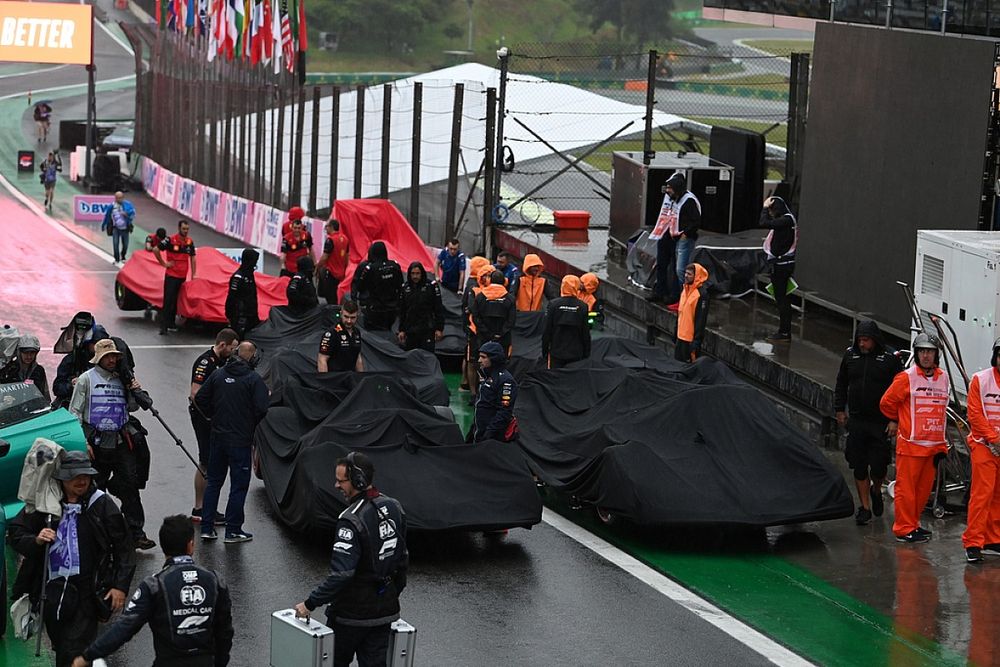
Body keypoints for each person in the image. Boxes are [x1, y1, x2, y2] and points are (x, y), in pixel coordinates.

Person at [9, 450, 135, 667]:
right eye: (75, 475)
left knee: (73, 649)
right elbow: (17, 533)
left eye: (85, 475)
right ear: (61, 478)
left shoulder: (101, 504)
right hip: (52, 593)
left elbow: (124, 547)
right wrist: (37, 540)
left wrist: (120, 586)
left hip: (86, 591)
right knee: (62, 646)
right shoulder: (45, 505)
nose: (81, 480)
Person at [71, 515, 234, 667]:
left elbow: (124, 628)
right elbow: (225, 632)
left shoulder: (154, 585)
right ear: (191, 545)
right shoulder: (214, 580)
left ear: (164, 548)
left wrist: (88, 656)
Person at [293, 452, 408, 667]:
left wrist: (310, 603)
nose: (336, 485)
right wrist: (390, 594)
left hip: (350, 616)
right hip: (385, 612)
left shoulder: (350, 520)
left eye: (340, 481)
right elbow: (402, 559)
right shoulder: (394, 507)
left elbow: (342, 575)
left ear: (358, 481)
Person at [69, 339, 155, 550]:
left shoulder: (122, 380)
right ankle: (94, 533)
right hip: (96, 443)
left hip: (120, 441)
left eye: (114, 356)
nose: (112, 360)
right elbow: (75, 413)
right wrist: (83, 442)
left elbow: (133, 407)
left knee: (130, 486)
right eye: (108, 356)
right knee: (92, 488)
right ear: (99, 358)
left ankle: (136, 532)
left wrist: (135, 388)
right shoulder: (85, 380)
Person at [194, 342, 269, 543]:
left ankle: (207, 527)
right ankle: (233, 530)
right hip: (240, 440)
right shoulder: (253, 379)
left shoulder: (218, 374)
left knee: (214, 482)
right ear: (252, 358)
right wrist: (248, 422)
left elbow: (200, 398)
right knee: (238, 485)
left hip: (218, 438)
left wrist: (213, 417)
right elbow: (262, 408)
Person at [880, 333, 950, 544]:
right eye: (922, 352)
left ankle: (913, 525)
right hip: (911, 445)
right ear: (917, 354)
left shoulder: (944, 377)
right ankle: (903, 529)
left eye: (929, 352)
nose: (926, 356)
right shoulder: (906, 377)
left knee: (922, 491)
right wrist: (898, 420)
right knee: (906, 490)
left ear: (936, 354)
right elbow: (886, 403)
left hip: (934, 447)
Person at [833, 320, 903, 526]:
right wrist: (839, 409)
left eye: (866, 340)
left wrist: (894, 419)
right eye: (860, 340)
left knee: (879, 467)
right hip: (857, 420)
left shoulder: (890, 359)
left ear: (874, 340)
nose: (862, 344)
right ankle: (864, 508)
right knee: (859, 466)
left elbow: (900, 391)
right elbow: (841, 382)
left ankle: (876, 490)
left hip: (880, 422)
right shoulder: (850, 356)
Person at [189, 329, 239, 525]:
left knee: (211, 461)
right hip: (204, 418)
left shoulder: (224, 362)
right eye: (232, 349)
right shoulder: (205, 362)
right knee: (206, 461)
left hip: (215, 418)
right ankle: (200, 508)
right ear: (222, 345)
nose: (233, 352)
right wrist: (211, 415)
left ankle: (204, 507)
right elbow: (195, 393)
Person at [961, 338, 1000, 563]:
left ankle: (993, 539)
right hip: (983, 445)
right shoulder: (980, 380)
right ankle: (973, 542)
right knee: (982, 494)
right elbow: (974, 414)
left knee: (997, 495)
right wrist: (994, 439)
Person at [649, 172, 700, 310]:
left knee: (679, 269)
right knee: (662, 263)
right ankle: (660, 290)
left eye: (669, 188)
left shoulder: (688, 201)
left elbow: (696, 221)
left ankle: (679, 296)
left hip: (682, 238)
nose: (667, 190)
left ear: (676, 189)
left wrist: (686, 234)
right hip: (668, 235)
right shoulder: (671, 198)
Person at [760, 196, 798, 342]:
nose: (769, 213)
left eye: (770, 210)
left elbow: (763, 223)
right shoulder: (787, 220)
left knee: (782, 299)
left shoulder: (786, 221)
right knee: (782, 298)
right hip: (782, 263)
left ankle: (784, 331)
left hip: (782, 265)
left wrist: (764, 207)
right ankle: (784, 330)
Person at [154, 220, 197, 335]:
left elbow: (193, 257)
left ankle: (171, 323)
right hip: (172, 276)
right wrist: (164, 263)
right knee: (168, 301)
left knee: (176, 300)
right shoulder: (170, 240)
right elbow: (156, 249)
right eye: (184, 229)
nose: (186, 231)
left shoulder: (189, 242)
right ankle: (163, 326)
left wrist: (193, 274)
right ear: (179, 228)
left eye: (187, 229)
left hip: (182, 276)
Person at [351, 241, 403, 331]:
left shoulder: (369, 268)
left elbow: (359, 286)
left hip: (374, 308)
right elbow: (400, 285)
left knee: (373, 334)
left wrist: (356, 300)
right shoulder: (394, 266)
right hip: (392, 308)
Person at [542, 275, 591, 369]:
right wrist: (586, 353)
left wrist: (545, 351)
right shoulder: (583, 306)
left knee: (555, 378)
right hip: (576, 353)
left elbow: (547, 330)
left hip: (557, 352)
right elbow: (585, 332)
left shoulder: (553, 305)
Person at [474, 342, 517, 442]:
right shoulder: (486, 376)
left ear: (494, 358)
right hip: (479, 430)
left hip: (492, 436)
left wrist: (489, 433)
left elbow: (504, 411)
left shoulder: (506, 381)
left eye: (483, 357)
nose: (479, 360)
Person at [397, 261, 444, 352]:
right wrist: (401, 330)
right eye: (413, 273)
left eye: (417, 273)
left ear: (422, 273)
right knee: (412, 358)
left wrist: (439, 328)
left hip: (427, 329)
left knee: (427, 357)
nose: (415, 276)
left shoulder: (431, 286)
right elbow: (402, 310)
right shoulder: (405, 288)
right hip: (411, 330)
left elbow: (438, 308)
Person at [460, 257, 491, 393]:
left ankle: (466, 382)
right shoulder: (474, 287)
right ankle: (466, 382)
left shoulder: (471, 283)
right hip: (473, 328)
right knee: (470, 359)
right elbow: (470, 307)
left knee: (469, 358)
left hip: (472, 326)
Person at [471, 270, 516, 354]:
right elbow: (511, 320)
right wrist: (501, 333)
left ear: (490, 280)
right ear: (504, 281)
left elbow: (475, 317)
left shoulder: (480, 297)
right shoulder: (510, 299)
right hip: (503, 339)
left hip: (484, 338)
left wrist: (487, 333)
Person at [674, 263, 710, 363]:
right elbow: (680, 313)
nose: (686, 275)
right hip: (680, 337)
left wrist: (696, 342)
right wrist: (675, 331)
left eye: (689, 274)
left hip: (689, 341)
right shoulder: (684, 291)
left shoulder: (701, 295)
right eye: (685, 273)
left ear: (696, 276)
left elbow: (700, 320)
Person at [0, 334, 50, 402]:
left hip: (34, 408)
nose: (29, 356)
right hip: (12, 409)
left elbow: (44, 394)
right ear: (19, 352)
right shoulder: (9, 369)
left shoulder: (39, 370)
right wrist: (3, 399)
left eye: (32, 353)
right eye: (26, 353)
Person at [317, 299, 364, 373]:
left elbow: (358, 357)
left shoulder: (356, 333)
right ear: (341, 314)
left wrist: (361, 378)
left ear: (357, 316)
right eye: (346, 316)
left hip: (351, 377)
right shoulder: (332, 333)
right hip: (335, 378)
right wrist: (325, 382)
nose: (349, 321)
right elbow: (322, 359)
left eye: (352, 318)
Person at [225, 248, 260, 339]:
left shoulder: (249, 275)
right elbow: (231, 296)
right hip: (240, 315)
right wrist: (229, 313)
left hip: (251, 315)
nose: (255, 264)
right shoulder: (238, 277)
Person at [316, 218, 350, 304]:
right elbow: (346, 257)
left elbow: (324, 257)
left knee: (330, 298)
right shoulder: (345, 239)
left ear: (331, 227)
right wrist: (345, 269)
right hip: (341, 273)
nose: (325, 229)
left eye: (327, 226)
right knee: (336, 295)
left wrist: (317, 267)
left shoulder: (330, 240)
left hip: (331, 272)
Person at [101, 191, 136, 265]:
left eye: (120, 198)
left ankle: (123, 256)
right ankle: (117, 259)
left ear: (123, 198)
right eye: (117, 198)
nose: (119, 199)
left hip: (125, 229)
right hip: (116, 228)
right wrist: (104, 225)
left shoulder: (128, 204)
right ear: (115, 198)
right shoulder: (112, 206)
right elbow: (107, 216)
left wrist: (127, 214)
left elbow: (133, 214)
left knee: (125, 245)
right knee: (115, 244)